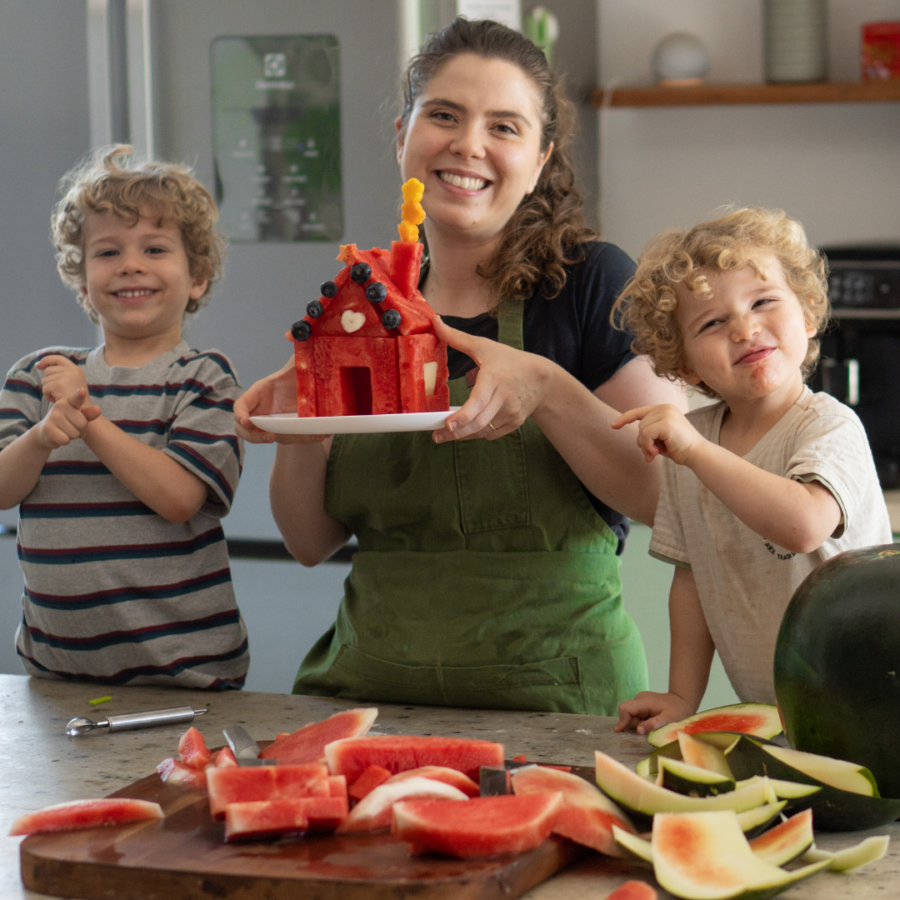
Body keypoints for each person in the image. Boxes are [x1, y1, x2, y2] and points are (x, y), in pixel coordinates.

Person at [235, 18, 684, 714]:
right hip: (369, 695)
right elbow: (307, 540)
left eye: (504, 127)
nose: (468, 144)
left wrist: (548, 387)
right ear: (402, 136)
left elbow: (665, 497)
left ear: (540, 160)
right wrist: (302, 422)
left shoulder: (589, 282)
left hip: (562, 701)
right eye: (443, 115)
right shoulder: (362, 304)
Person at [611, 208, 892, 735]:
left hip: (874, 706)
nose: (744, 327)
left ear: (808, 314)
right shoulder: (690, 441)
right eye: (712, 323)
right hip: (778, 716)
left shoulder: (829, 425)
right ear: (688, 365)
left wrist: (694, 451)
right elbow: (692, 580)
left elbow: (803, 524)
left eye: (763, 302)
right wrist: (681, 696)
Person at [0, 145, 249, 689]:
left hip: (186, 674)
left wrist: (89, 417)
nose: (130, 264)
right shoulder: (36, 377)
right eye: (107, 252)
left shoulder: (204, 379)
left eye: (155, 248)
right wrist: (43, 436)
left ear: (198, 276)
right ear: (82, 279)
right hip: (57, 673)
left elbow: (180, 499)